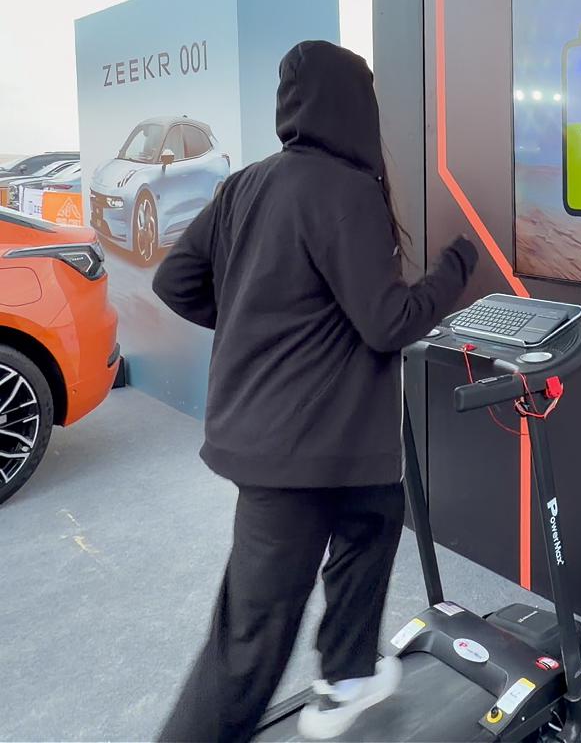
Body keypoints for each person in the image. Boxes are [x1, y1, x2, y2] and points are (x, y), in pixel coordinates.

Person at [153, 40, 478, 742]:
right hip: (291, 459)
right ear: (352, 106)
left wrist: (256, 320)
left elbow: (174, 282)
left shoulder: (248, 184)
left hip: (329, 446)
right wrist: (457, 266)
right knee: (249, 642)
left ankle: (348, 675)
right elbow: (388, 322)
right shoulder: (345, 190)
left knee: (375, 515)